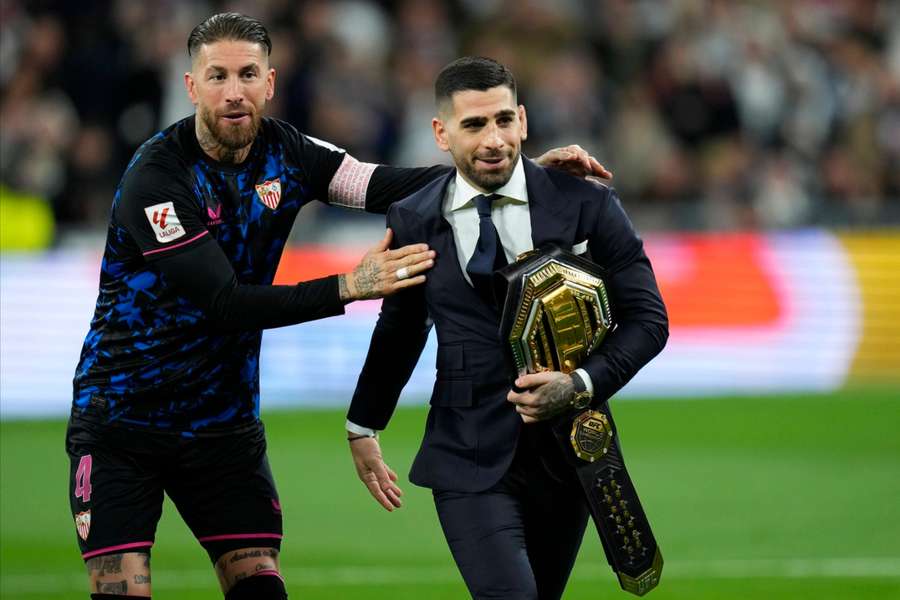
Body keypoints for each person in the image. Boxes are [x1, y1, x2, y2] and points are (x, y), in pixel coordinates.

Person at [65, 13, 612, 600]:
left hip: (221, 426)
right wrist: (350, 286)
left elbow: (392, 186)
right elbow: (223, 304)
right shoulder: (157, 179)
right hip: (122, 422)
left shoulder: (289, 152)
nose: (234, 91)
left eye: (248, 74)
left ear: (270, 82)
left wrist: (514, 171)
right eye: (217, 76)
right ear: (191, 86)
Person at [346, 56, 669, 599]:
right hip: (465, 453)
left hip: (569, 457)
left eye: (502, 120)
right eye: (474, 125)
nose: (493, 139)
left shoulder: (586, 204)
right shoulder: (414, 217)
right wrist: (363, 425)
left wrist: (580, 384)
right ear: (441, 133)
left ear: (522, 119)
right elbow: (401, 329)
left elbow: (649, 320)